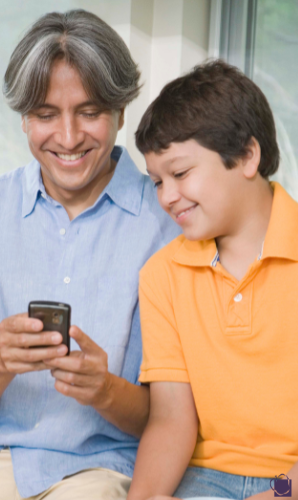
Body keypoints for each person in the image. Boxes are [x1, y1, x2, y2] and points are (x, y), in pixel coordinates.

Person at [0, 9, 179, 500]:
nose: (67, 138)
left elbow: (170, 416)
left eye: (89, 112)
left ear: (121, 111)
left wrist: (105, 389)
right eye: (46, 115)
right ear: (24, 118)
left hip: (96, 470)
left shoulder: (169, 223)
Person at [127, 60, 298, 500]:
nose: (167, 196)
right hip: (206, 480)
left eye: (181, 174)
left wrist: (277, 494)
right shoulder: (161, 275)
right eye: (157, 181)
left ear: (246, 156)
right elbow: (170, 419)